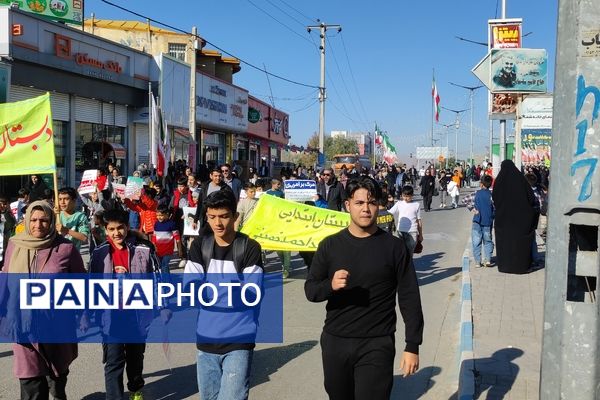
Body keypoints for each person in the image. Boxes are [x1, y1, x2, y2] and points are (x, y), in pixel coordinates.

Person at [305, 176, 424, 400]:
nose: (366, 209)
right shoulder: (330, 245)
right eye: (359, 203)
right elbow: (311, 291)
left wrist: (412, 345)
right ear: (347, 204)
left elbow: (409, 297)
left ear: (379, 205)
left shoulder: (394, 247)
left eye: (371, 203)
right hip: (336, 341)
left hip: (377, 343)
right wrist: (330, 285)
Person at [184, 190, 263, 400]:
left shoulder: (249, 248)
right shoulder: (201, 245)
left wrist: (210, 290)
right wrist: (231, 289)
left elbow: (251, 295)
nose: (218, 223)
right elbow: (190, 291)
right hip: (206, 339)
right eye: (212, 217)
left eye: (224, 216)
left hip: (239, 339)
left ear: (235, 216)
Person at [2, 201, 86, 400]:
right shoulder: (14, 244)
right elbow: (5, 280)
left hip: (56, 325)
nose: (38, 225)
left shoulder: (65, 249)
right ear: (26, 220)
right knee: (30, 382)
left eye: (44, 220)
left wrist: (83, 315)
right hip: (22, 324)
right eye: (33, 220)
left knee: (56, 381)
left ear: (52, 222)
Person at [88, 209, 170, 400]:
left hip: (137, 315)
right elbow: (90, 284)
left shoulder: (144, 250)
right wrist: (87, 312)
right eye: (111, 229)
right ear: (105, 230)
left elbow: (157, 279)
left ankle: (135, 389)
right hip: (110, 315)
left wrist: (163, 306)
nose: (117, 233)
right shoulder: (99, 253)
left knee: (135, 357)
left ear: (127, 227)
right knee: (113, 360)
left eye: (120, 228)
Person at [492, 160, 536, 274]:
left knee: (505, 243)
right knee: (520, 244)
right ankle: (522, 267)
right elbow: (531, 198)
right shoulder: (521, 181)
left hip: (503, 219)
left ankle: (505, 266)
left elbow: (495, 199)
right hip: (521, 219)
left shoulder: (499, 181)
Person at [462, 175, 495, 268]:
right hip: (488, 221)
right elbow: (495, 207)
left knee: (476, 242)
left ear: (481, 184)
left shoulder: (476, 193)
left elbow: (464, 200)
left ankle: (477, 262)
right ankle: (488, 260)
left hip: (477, 220)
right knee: (488, 241)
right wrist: (493, 215)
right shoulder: (491, 195)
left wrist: (473, 209)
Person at [389, 185, 423, 256]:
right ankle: (403, 266)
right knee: (401, 253)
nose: (406, 198)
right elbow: (389, 212)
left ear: (412, 195)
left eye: (408, 196)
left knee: (410, 253)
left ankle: (408, 266)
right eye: (404, 196)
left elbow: (418, 220)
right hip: (400, 232)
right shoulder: (399, 204)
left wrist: (420, 234)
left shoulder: (416, 205)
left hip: (412, 232)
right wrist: (388, 202)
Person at [151, 205, 182, 276]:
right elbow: (154, 236)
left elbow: (177, 238)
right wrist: (153, 246)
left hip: (168, 251)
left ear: (167, 214)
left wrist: (180, 250)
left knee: (164, 266)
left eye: (161, 215)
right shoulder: (156, 224)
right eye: (157, 215)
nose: (159, 217)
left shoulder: (172, 224)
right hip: (158, 250)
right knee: (161, 266)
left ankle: (166, 282)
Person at [57, 187, 90, 252]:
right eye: (60, 199)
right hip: (57, 254)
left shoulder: (80, 217)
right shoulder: (56, 215)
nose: (62, 202)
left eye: (66, 199)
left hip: (73, 255)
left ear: (74, 200)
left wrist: (66, 230)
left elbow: (84, 238)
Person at [0, 194, 16, 270]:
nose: (2, 205)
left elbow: (11, 224)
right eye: (1, 203)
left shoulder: (9, 214)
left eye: (5, 203)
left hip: (5, 245)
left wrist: (5, 212)